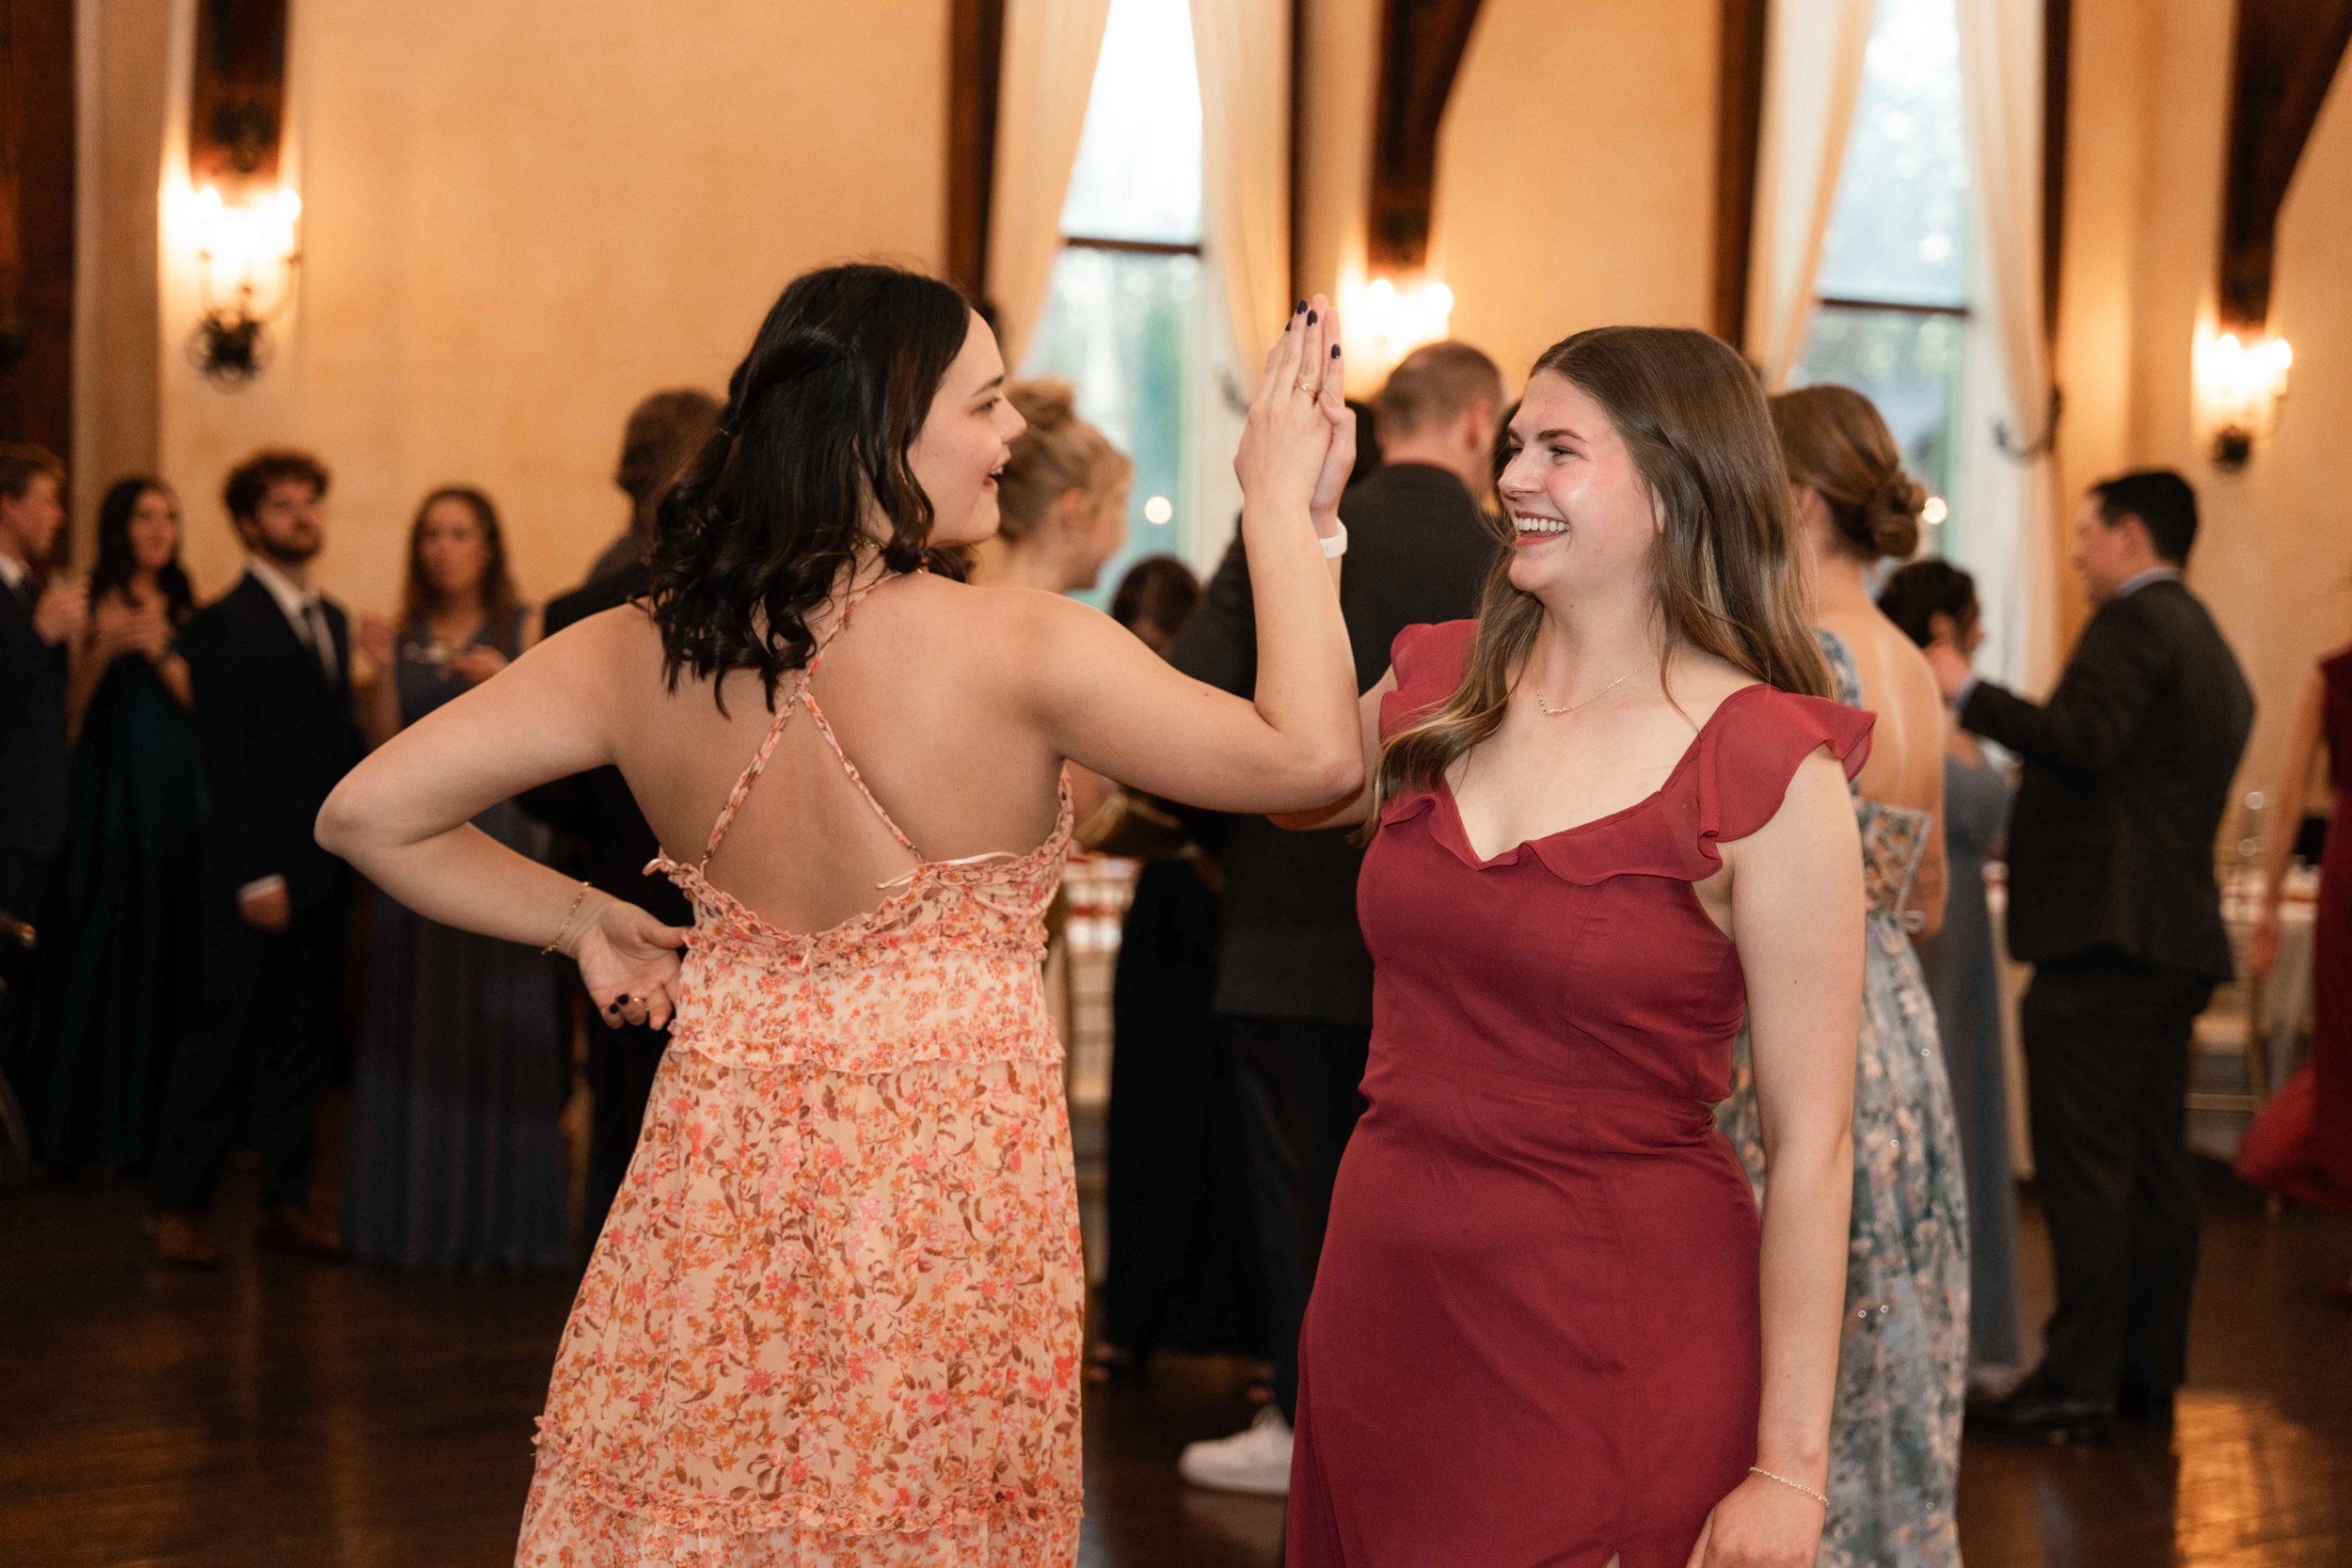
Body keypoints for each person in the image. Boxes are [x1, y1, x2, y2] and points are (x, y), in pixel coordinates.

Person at [315, 265, 1362, 1565]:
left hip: (712, 1200)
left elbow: (365, 813)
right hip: (949, 1217)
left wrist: (584, 919)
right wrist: (1286, 512)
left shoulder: (632, 649)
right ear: (878, 427)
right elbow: (1317, 764)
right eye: (985, 403)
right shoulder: (1024, 647)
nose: (1014, 433)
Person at [1270, 325, 1865, 1568]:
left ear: (1671, 488)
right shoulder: (1438, 684)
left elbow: (1816, 1141)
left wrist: (1789, 1470)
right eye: (1514, 445)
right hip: (1386, 1295)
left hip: (1610, 1328)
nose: (1514, 479)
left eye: (1558, 449)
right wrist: (1301, 521)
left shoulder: (1766, 768)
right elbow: (1305, 779)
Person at [1172, 338, 1504, 1496]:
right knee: (1440, 1203)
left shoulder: (1288, 529)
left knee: (1297, 1204)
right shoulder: (1507, 558)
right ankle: (1435, 1420)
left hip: (1279, 927)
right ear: (1477, 424)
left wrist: (1223, 847)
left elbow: (1190, 699)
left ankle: (1304, 1415)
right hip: (1454, 940)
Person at [1931, 468, 2254, 1441]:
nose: (2075, 550)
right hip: (2167, 936)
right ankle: (2140, 1374)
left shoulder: (2131, 623)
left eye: (2085, 529)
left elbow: (2080, 738)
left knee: (2086, 1169)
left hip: (2104, 937)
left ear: (2128, 533)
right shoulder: (2208, 641)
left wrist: (1966, 690)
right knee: (2157, 1168)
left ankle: (2074, 1379)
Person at [1718, 385, 1968, 1567]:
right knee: (1889, 1343)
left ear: (1799, 500)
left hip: (1801, 1015)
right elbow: (1925, 901)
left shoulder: (1803, 654)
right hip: (1901, 1039)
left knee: (1794, 1343)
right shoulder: (1913, 665)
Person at [340, 487, 568, 1271]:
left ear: (488, 545)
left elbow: (553, 736)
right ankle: (419, 1220)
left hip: (507, 832)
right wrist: (373, 679)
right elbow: (381, 754)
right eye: (431, 534)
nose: (444, 548)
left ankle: (510, 1225)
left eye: (460, 533)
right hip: (424, 842)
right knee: (421, 1017)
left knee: (508, 1012)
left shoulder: (526, 626)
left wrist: (506, 678)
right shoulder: (398, 639)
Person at [149, 449, 366, 1266]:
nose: (303, 517)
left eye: (311, 502)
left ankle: (284, 1201)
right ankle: (178, 1203)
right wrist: (255, 872)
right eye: (282, 505)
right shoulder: (222, 622)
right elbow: (226, 762)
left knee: (303, 1042)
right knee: (223, 1035)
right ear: (246, 523)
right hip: (254, 873)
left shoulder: (334, 619)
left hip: (322, 868)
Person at [519, 388, 719, 1247]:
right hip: (720, 916)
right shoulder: (740, 605)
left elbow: (540, 789)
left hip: (607, 906)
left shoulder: (577, 608)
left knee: (622, 1140)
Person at [1093, 555, 1264, 1379]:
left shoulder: (1226, 679)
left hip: (1221, 914)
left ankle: (1229, 1323)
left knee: (1224, 1122)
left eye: (1164, 646)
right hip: (1167, 914)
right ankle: (1133, 1318)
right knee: (1148, 1116)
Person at [20, 479, 207, 1176]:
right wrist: (104, 648)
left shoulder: (192, 603)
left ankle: (165, 1133)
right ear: (118, 525)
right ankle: (89, 1131)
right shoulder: (86, 595)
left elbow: (206, 710)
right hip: (109, 800)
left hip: (178, 801)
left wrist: (160, 650)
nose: (160, 530)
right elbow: (66, 718)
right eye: (144, 516)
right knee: (103, 946)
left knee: (172, 950)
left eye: (170, 516)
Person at [1882, 557, 2025, 1372]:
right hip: (1932, 930)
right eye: (1973, 619)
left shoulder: (1938, 715)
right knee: (1939, 1107)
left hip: (1960, 935)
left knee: (1966, 1106)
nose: (1984, 633)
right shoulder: (1908, 711)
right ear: (1943, 630)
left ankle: (1967, 1336)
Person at [2239, 629, 2352, 1302]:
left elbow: (2287, 801)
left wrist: (2269, 906)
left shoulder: (2331, 673)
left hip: (2348, 862)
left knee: (2345, 1050)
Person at [0, 445, 79, 1085]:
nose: (58, 514)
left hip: (39, 819)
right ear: (8, 505)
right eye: (48, 499)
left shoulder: (33, 589)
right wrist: (38, 638)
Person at [965, 379, 1130, 593]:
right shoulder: (1071, 625)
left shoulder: (964, 608)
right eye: (1118, 502)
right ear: (1075, 509)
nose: (1123, 533)